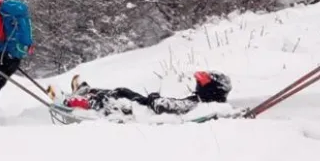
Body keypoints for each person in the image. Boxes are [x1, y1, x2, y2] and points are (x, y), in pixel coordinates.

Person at [61, 70, 232, 117]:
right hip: (147, 106)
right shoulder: (201, 102)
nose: (197, 87)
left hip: (145, 110)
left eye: (200, 84)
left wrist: (154, 97)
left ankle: (83, 102)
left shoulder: (199, 105)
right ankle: (89, 92)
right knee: (122, 91)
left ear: (211, 90)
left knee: (115, 99)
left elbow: (162, 106)